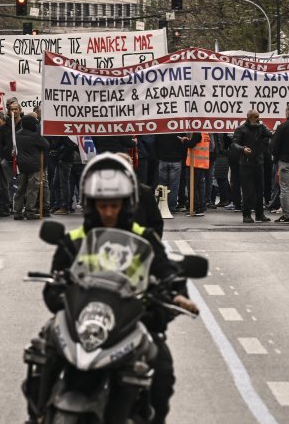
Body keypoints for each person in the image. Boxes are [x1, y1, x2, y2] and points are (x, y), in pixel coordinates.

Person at [39, 153, 196, 424]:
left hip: (132, 322)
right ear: (91, 205)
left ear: (126, 205)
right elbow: (55, 281)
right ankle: (38, 413)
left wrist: (177, 294)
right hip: (82, 322)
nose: (108, 212)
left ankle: (151, 418)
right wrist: (56, 287)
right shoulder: (74, 241)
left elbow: (166, 270)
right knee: (41, 349)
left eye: (114, 205)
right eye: (102, 206)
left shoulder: (143, 238)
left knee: (161, 368)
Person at [232, 110, 271, 223]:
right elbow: (234, 143)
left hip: (258, 162)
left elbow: (270, 134)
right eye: (255, 117)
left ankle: (260, 214)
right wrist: (242, 149)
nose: (258, 119)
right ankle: (246, 214)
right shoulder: (241, 129)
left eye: (258, 116)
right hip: (246, 163)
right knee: (247, 190)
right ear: (249, 117)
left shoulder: (261, 127)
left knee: (260, 189)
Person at [13, 114, 49, 220]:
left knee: (20, 189)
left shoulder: (17, 134)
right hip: (34, 165)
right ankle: (30, 211)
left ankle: (17, 211)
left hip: (22, 165)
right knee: (32, 189)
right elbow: (46, 145)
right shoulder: (35, 136)